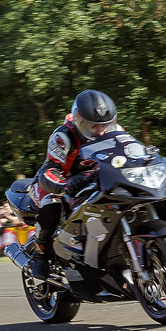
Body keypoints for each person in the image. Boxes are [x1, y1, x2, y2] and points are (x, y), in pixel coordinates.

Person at [28, 89, 122, 277]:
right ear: (79, 120)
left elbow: (132, 153)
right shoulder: (63, 137)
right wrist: (64, 185)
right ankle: (41, 255)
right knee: (52, 204)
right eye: (93, 126)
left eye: (105, 125)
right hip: (58, 180)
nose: (100, 130)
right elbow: (49, 171)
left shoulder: (116, 131)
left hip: (97, 178)